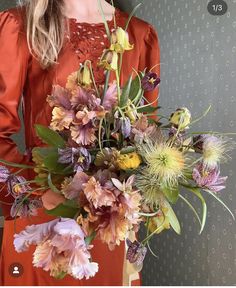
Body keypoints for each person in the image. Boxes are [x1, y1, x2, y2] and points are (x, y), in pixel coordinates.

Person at [0, 0, 160, 285]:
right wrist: (37, 191)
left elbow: (147, 134)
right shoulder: (21, 26)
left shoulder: (139, 33)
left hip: (112, 223)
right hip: (44, 213)